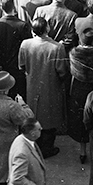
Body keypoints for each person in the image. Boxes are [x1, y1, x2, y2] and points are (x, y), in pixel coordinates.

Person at [18, 17, 68, 157]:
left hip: (33, 85)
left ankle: (35, 145)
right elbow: (62, 70)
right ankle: (47, 148)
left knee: (34, 114)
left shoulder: (25, 44)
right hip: (51, 87)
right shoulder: (57, 47)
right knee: (50, 117)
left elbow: (21, 66)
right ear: (47, 29)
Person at [67, 32, 93, 163]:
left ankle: (82, 151)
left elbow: (72, 71)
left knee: (80, 118)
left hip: (78, 88)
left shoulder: (74, 53)